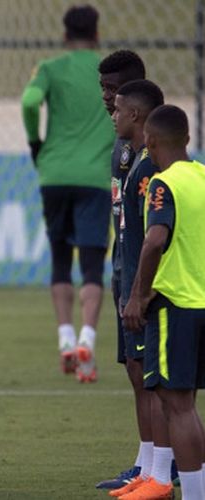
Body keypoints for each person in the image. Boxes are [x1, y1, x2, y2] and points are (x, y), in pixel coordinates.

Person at [21, 4, 115, 382]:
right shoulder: (108, 72)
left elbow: (29, 102)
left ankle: (64, 339)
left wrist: (35, 142)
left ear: (64, 35)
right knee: (92, 263)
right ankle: (87, 341)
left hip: (54, 172)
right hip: (95, 174)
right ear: (97, 34)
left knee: (61, 258)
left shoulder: (49, 68)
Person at [122, 104, 205, 500]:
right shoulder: (203, 176)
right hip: (202, 301)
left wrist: (138, 295)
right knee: (188, 405)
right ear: (188, 139)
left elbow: (155, 240)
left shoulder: (162, 183)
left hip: (175, 305)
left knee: (177, 406)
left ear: (150, 143)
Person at [101, 80, 177, 500]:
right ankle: (150, 470)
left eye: (117, 109)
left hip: (145, 292)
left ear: (134, 116)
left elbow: (156, 237)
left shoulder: (150, 168)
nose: (112, 114)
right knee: (146, 380)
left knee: (158, 386)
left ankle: (161, 475)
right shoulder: (136, 164)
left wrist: (138, 291)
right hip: (131, 282)